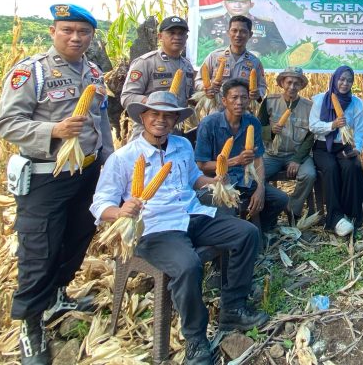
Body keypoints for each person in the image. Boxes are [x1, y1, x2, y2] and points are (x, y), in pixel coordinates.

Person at [90, 91, 267, 365]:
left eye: (168, 116)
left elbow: (194, 179)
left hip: (192, 214)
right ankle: (195, 339)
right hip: (155, 227)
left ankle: (233, 307)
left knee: (247, 233)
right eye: (155, 114)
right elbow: (100, 204)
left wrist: (215, 181)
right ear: (143, 117)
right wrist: (121, 211)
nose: (161, 120)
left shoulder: (182, 145)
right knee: (188, 265)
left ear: (175, 120)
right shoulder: (124, 158)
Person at [0, 4, 114, 365]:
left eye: (83, 32)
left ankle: (58, 295)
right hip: (47, 176)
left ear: (91, 36)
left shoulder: (93, 71)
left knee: (77, 237)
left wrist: (109, 161)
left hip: (87, 173)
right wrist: (54, 130)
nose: (76, 38)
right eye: (68, 30)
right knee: (40, 250)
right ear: (53, 32)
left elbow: (101, 121)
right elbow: (7, 124)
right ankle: (30, 325)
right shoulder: (32, 72)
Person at [195, 79, 289, 234]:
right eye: (234, 97)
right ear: (224, 101)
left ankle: (259, 231)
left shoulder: (253, 122)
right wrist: (235, 161)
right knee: (228, 208)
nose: (239, 102)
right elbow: (202, 165)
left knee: (280, 199)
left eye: (244, 97)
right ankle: (237, 237)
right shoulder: (209, 124)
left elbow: (258, 158)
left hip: (244, 179)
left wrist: (260, 188)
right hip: (217, 182)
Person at [309, 66, 363, 236]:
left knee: (352, 167)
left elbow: (360, 130)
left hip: (345, 145)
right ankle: (335, 218)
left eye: (349, 80)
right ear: (334, 79)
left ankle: (353, 214)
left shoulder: (356, 103)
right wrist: (332, 125)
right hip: (323, 147)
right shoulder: (320, 100)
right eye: (341, 79)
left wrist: (357, 148)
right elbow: (313, 126)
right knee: (331, 168)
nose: (345, 83)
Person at [257, 67, 317, 221]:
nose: (292, 86)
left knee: (309, 175)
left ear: (301, 86)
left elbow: (310, 137)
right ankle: (270, 207)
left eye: (296, 83)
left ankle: (292, 209)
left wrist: (297, 159)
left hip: (297, 154)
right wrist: (270, 131)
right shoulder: (270, 101)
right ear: (282, 83)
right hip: (272, 154)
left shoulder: (309, 107)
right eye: (289, 82)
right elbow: (257, 128)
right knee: (254, 177)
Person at [121, 16, 195, 138]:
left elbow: (190, 97)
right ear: (160, 36)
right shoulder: (146, 62)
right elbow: (127, 97)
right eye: (171, 33)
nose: (177, 37)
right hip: (147, 132)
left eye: (181, 34)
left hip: (174, 133)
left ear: (186, 38)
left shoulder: (187, 66)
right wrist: (153, 102)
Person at [195, 15, 267, 105]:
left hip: (241, 108)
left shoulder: (255, 62)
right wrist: (207, 88)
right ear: (228, 33)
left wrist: (258, 94)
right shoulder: (214, 56)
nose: (238, 35)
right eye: (234, 30)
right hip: (217, 107)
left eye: (243, 31)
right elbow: (198, 81)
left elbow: (262, 87)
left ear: (250, 35)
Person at [199, 0, 286, 56]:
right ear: (224, 4)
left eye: (243, 2)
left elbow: (280, 47)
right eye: (232, 1)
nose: (237, 5)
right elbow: (200, 46)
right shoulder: (209, 23)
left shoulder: (266, 24)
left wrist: (259, 53)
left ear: (251, 4)